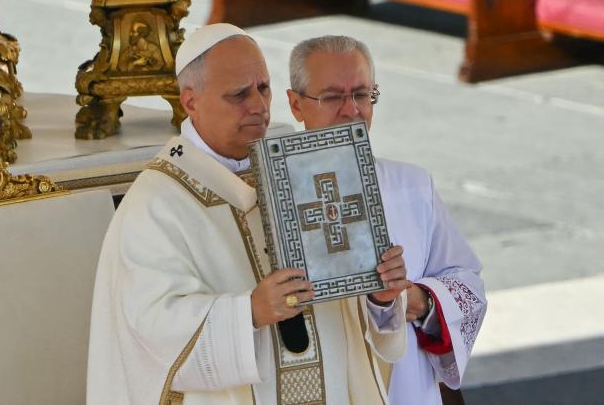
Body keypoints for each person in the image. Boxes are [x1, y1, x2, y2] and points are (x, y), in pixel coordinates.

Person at [87, 23, 411, 405]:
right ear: (190, 102)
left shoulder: (298, 163)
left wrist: (380, 297)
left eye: (263, 88)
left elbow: (345, 304)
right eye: (239, 95)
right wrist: (250, 312)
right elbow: (152, 332)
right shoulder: (158, 202)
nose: (258, 106)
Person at [286, 35, 488, 405]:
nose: (352, 111)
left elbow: (467, 286)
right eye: (332, 97)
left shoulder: (413, 186)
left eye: (362, 94)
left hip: (405, 387)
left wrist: (416, 299)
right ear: (295, 104)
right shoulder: (273, 198)